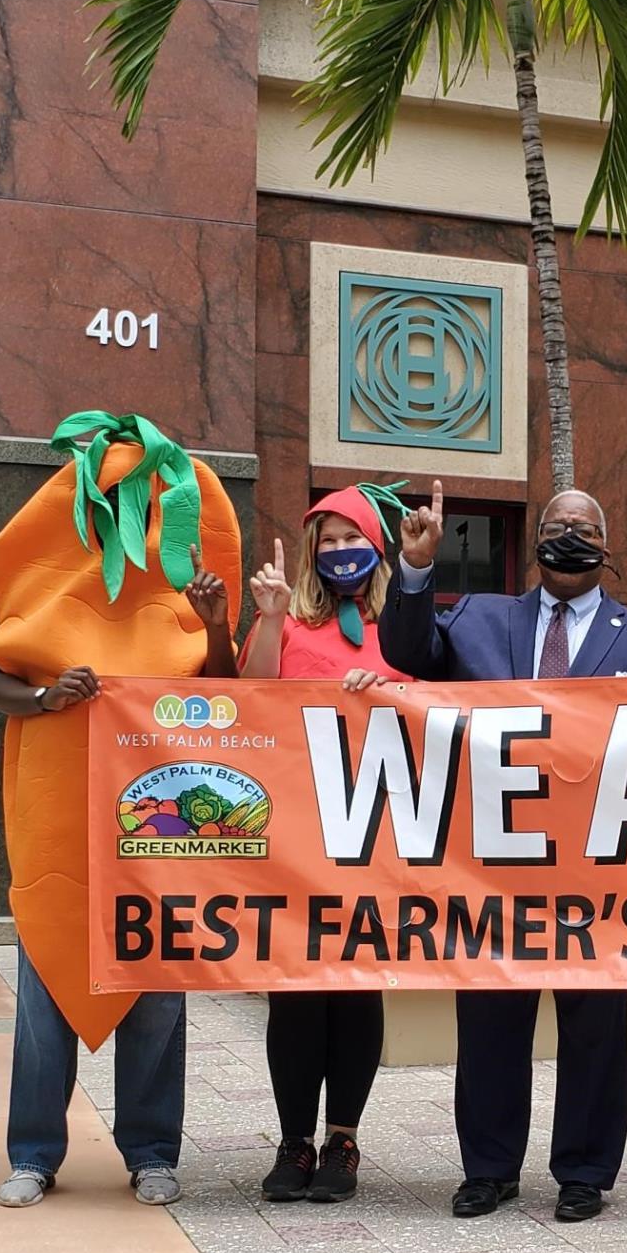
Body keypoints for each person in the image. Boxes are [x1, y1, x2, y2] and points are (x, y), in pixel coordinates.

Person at [379, 480, 627, 1223]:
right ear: (538, 538)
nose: (568, 534)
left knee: (595, 1027)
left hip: (599, 870)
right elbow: (409, 654)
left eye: (583, 525)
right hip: (491, 866)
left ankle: (583, 1173)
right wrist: (416, 572)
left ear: (606, 546)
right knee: (489, 1021)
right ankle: (488, 1169)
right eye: (555, 523)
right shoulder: (479, 618)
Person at [0, 411, 242, 1209]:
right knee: (44, 1000)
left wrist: (219, 620)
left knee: (159, 997)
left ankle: (152, 1151)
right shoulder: (45, 592)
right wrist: (44, 695)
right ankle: (33, 1152)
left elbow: (227, 696)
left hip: (157, 840)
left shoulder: (188, 599)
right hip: (59, 826)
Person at [241, 482, 414, 1205]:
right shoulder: (290, 620)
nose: (340, 550)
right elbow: (249, 694)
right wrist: (271, 618)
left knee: (355, 990)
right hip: (294, 833)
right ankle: (294, 1141)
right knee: (295, 992)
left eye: (353, 537)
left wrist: (391, 688)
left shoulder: (403, 622)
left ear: (379, 545)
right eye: (328, 538)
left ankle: (342, 1140)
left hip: (375, 832)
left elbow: (438, 701)